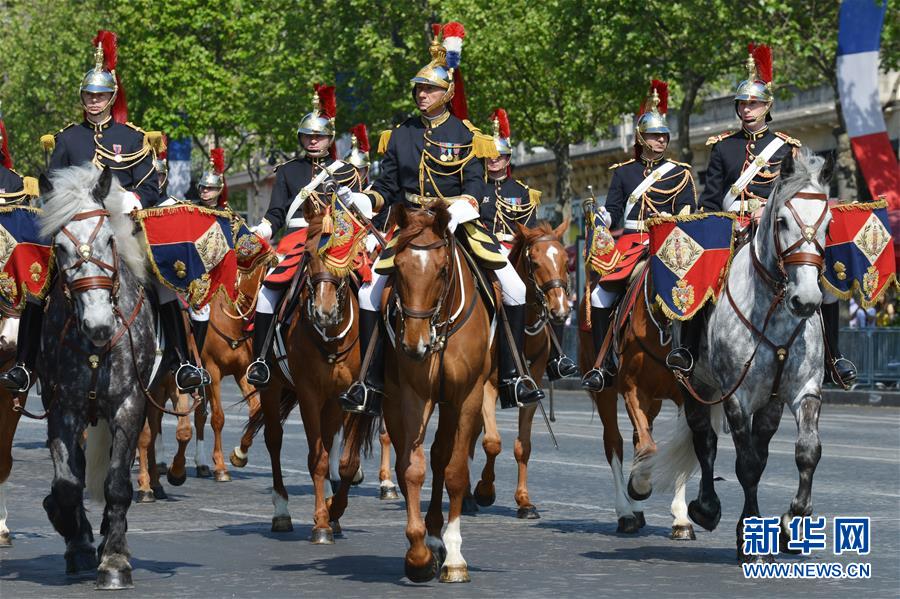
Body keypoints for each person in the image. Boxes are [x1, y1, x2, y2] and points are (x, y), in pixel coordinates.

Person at [338, 22, 546, 415]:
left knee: (515, 287)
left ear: (447, 92)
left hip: (455, 222)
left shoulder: (467, 134)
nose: (421, 94)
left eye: (429, 89)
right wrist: (367, 201)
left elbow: (477, 185)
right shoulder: (400, 134)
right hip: (410, 224)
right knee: (369, 294)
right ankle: (370, 381)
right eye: (418, 89)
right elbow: (387, 185)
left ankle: (514, 378)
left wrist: (465, 205)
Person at [0, 31, 203, 393]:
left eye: (100, 96)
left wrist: (135, 200)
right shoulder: (67, 139)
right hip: (75, 228)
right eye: (89, 96)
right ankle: (26, 365)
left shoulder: (132, 138)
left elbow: (151, 185)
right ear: (83, 98)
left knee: (161, 278)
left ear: (111, 98)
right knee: (37, 280)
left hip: (121, 225)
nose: (94, 101)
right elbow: (50, 185)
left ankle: (181, 359)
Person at [665, 43, 856, 384]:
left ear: (767, 106)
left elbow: (797, 192)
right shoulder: (723, 147)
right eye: (742, 104)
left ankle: (833, 356)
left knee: (823, 283)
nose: (746, 109)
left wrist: (771, 212)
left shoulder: (787, 147)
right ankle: (690, 349)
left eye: (753, 103)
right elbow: (710, 201)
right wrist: (729, 219)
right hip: (734, 230)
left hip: (779, 228)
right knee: (701, 276)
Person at [582, 80, 696, 391]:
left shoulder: (680, 173)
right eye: (654, 136)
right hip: (632, 244)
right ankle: (603, 365)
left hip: (669, 243)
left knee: (691, 292)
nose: (660, 141)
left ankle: (688, 352)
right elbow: (614, 210)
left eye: (663, 136)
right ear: (641, 138)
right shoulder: (624, 172)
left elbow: (690, 210)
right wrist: (599, 217)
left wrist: (672, 221)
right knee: (598, 296)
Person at [244, 85, 361, 387]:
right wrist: (264, 229)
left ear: (329, 139)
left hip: (338, 240)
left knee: (368, 287)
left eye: (319, 136)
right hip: (297, 238)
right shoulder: (287, 171)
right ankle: (259, 361)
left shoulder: (347, 172)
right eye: (308, 136)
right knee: (268, 293)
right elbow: (276, 212)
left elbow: (357, 214)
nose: (313, 141)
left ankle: (374, 363)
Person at [479, 107, 577, 381]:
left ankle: (556, 357)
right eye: (489, 157)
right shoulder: (477, 189)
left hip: (515, 248)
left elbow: (531, 228)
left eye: (499, 156)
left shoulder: (521, 192)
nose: (494, 161)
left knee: (548, 288)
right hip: (484, 247)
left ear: (508, 158)